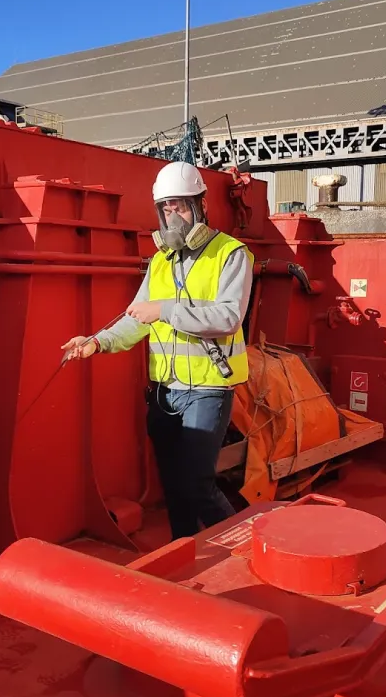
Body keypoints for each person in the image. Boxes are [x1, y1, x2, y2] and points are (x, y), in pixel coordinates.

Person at [61, 161, 254, 540]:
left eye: (180, 206)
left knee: (198, 483)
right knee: (174, 483)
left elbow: (228, 316)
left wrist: (164, 309)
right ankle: (183, 548)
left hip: (208, 389)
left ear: (200, 205)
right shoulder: (161, 262)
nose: (173, 216)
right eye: (166, 208)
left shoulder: (231, 253)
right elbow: (137, 318)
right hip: (166, 391)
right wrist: (96, 342)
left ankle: (239, 550)